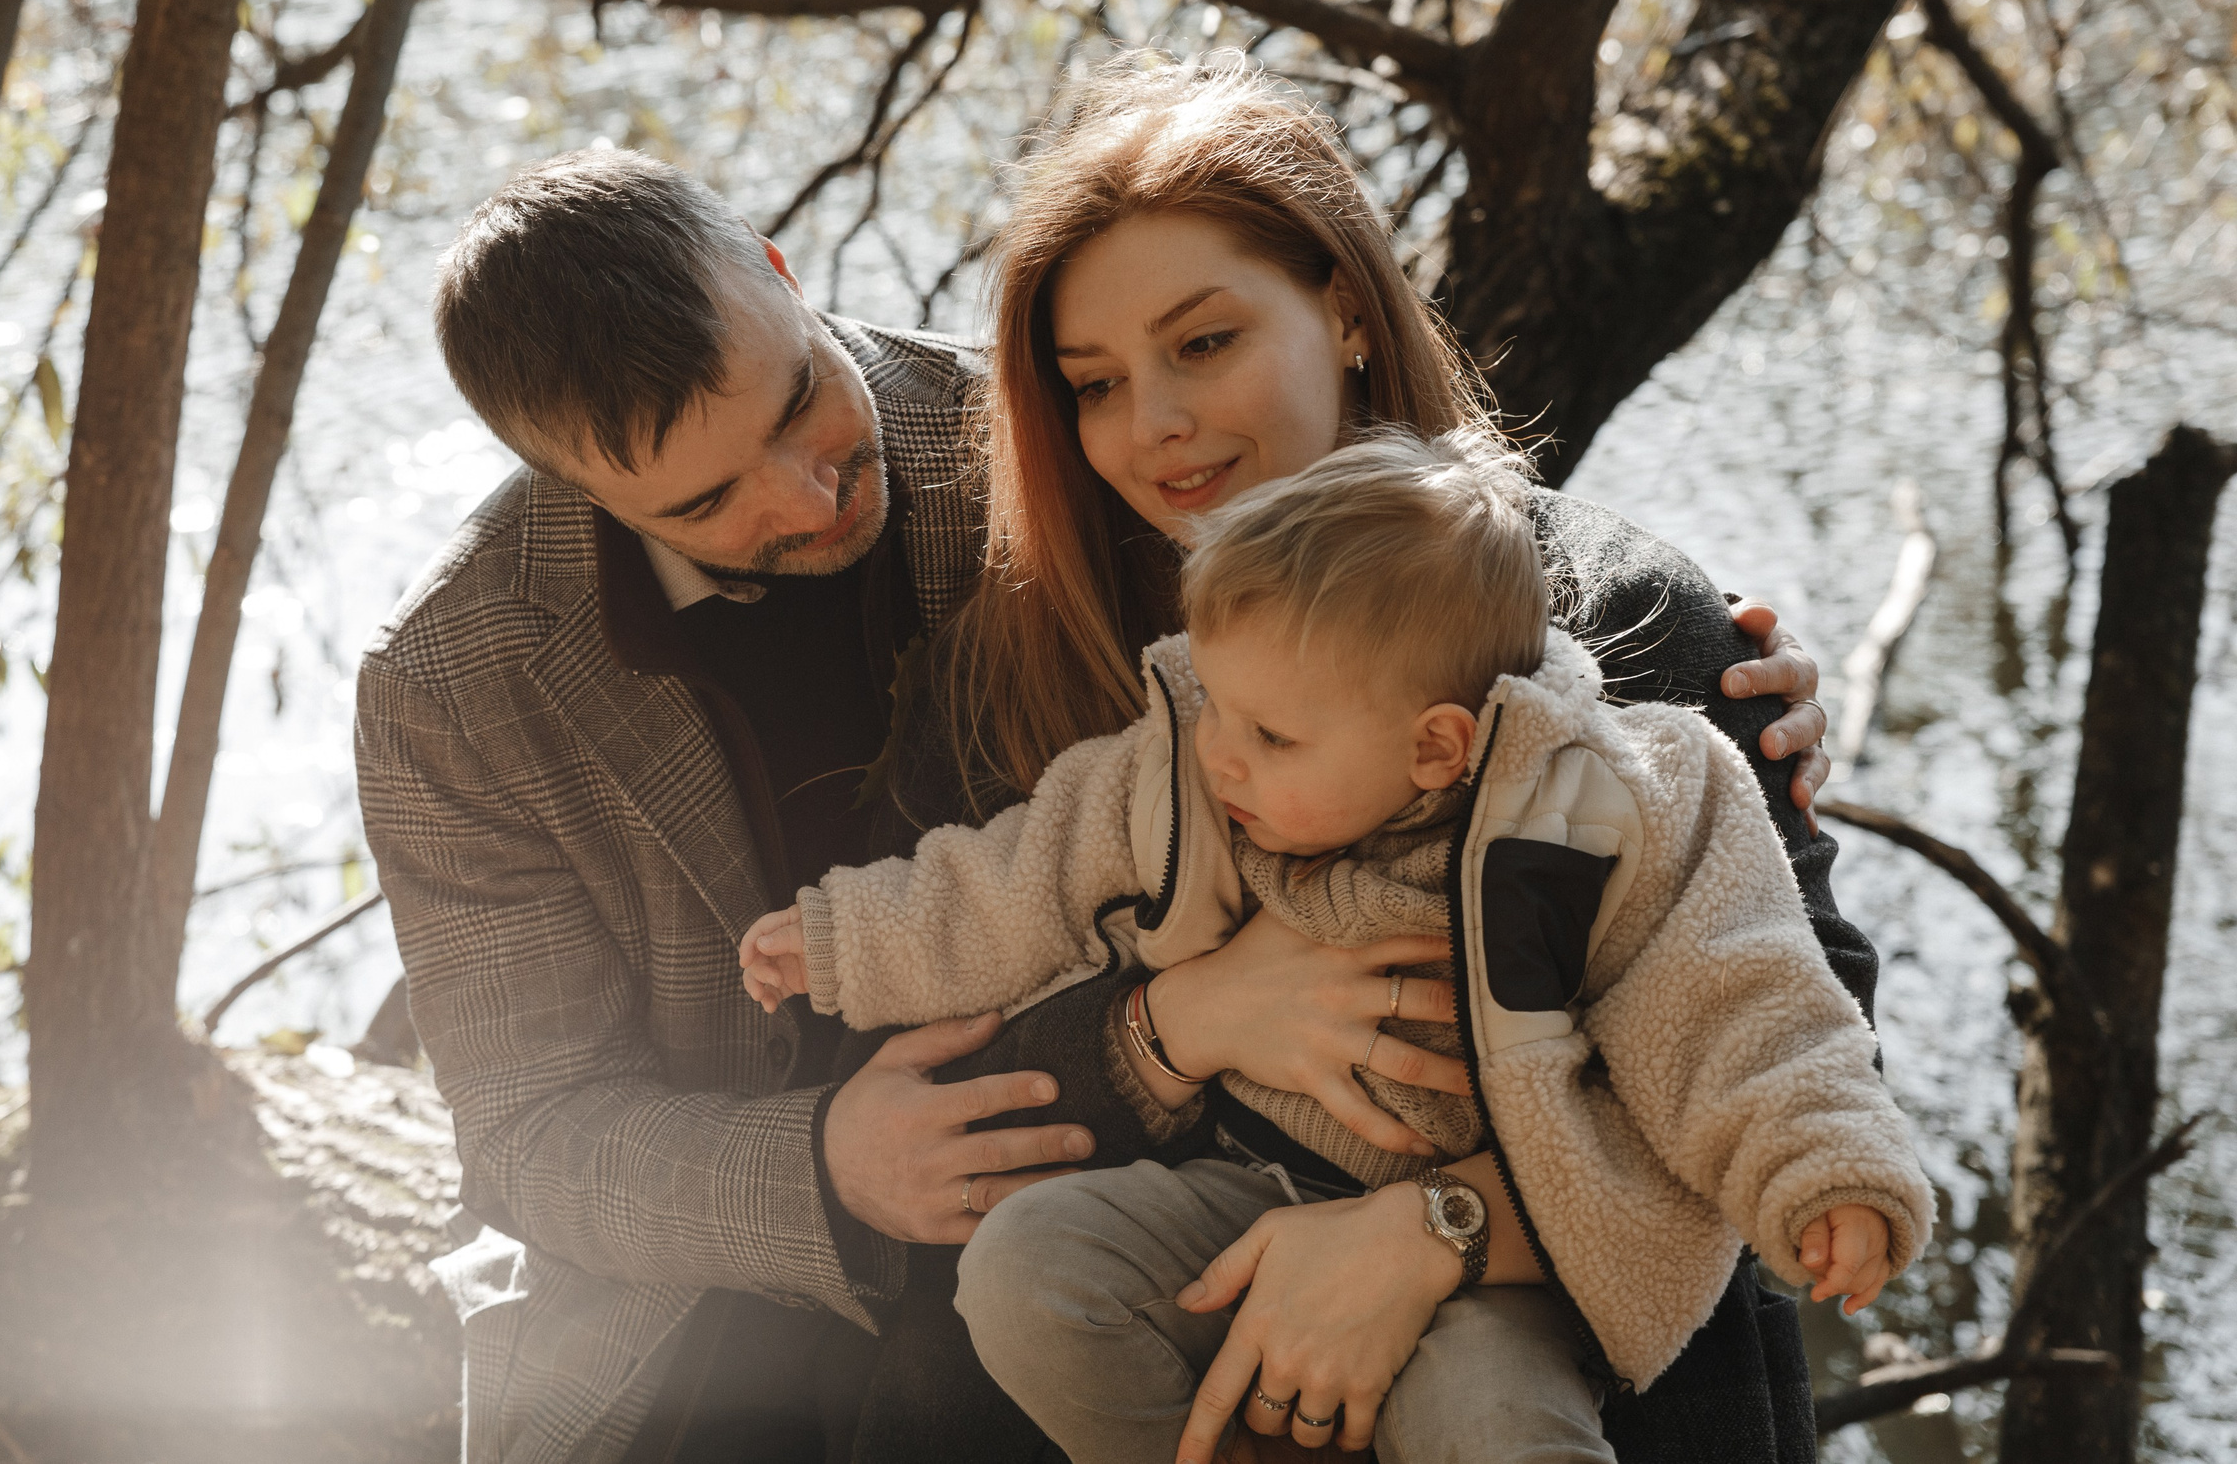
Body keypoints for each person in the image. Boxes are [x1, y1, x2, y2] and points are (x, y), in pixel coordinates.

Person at [357, 109, 1836, 1463]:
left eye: (801, 402)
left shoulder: (1025, 432)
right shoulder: (454, 682)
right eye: (706, 501)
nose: (811, 496)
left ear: (781, 269)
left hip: (1383, 1215)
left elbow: (1779, 999)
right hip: (759, 1257)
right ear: (572, 486)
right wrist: (842, 1153)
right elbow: (534, 1129)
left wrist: (1453, 1219)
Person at [740, 431, 1933, 1463]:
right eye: (1214, 703)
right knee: (1025, 1271)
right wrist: (845, 937)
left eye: (1270, 735)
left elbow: (1743, 998)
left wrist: (1825, 1172)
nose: (1223, 755)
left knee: (1498, 1430)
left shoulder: (1612, 806)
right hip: (1236, 1186)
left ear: (1433, 748)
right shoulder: (1189, 770)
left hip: (1494, 1257)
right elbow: (1011, 884)